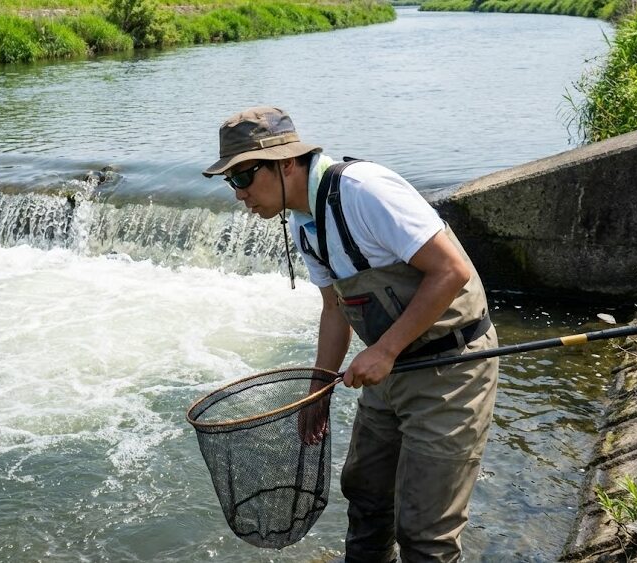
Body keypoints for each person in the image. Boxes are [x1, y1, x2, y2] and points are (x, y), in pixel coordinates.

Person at [202, 106, 499, 563]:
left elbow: (451, 271)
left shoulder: (364, 191)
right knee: (366, 498)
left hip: (452, 368)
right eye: (230, 181)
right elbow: (334, 308)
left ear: (284, 164)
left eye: (243, 177)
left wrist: (383, 350)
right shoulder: (303, 222)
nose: (238, 193)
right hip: (392, 369)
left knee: (425, 532)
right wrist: (319, 388)